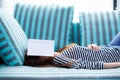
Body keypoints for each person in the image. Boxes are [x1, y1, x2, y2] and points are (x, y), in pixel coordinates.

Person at [25, 32, 120, 69]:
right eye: (38, 47)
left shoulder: (60, 51)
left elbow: (84, 53)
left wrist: (91, 46)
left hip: (109, 47)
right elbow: (89, 65)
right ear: (40, 59)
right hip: (116, 54)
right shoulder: (58, 59)